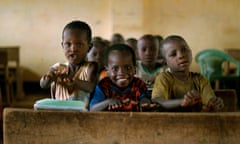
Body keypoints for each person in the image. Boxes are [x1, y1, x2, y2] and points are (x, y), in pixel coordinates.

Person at [151, 35, 224, 112]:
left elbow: (209, 100)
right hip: (171, 123)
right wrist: (182, 101)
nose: (181, 55)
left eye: (184, 50)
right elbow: (158, 101)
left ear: (191, 52)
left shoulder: (200, 80)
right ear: (165, 62)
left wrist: (214, 103)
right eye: (173, 54)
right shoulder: (164, 78)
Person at [40, 20, 98, 108]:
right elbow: (43, 85)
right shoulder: (57, 68)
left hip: (82, 116)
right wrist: (49, 78)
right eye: (68, 44)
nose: (73, 49)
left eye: (79, 44)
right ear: (62, 45)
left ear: (89, 47)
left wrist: (72, 81)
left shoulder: (90, 67)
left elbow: (91, 87)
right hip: (58, 113)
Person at [89, 44, 152, 112]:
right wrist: (108, 102)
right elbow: (93, 109)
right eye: (115, 68)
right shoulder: (103, 86)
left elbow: (145, 99)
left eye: (128, 68)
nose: (121, 72)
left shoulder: (138, 84)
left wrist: (145, 102)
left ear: (135, 68)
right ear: (107, 70)